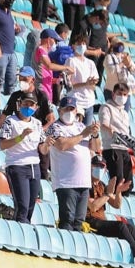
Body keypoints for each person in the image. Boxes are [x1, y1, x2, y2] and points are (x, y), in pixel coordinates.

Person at [86, 171, 135, 268]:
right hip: (91, 222)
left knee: (130, 227)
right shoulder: (86, 185)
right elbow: (93, 207)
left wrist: (118, 192)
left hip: (101, 221)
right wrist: (108, 194)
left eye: (102, 166)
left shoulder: (101, 185)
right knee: (121, 226)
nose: (99, 169)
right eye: (96, 165)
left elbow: (117, 204)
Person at [47, 96, 101, 231]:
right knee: (67, 220)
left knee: (79, 222)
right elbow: (62, 145)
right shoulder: (55, 127)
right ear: (59, 111)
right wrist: (83, 135)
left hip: (83, 182)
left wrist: (94, 134)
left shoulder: (80, 126)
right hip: (66, 182)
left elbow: (95, 147)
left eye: (72, 109)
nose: (69, 112)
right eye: (66, 109)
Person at [0, 92, 48, 223]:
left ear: (36, 107)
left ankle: (25, 230)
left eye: (31, 104)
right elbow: (2, 144)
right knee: (22, 206)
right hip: (17, 165)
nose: (28, 106)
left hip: (34, 166)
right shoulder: (11, 121)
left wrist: (48, 144)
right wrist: (21, 137)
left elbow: (42, 149)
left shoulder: (37, 123)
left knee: (31, 207)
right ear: (19, 104)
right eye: (25, 103)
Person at [99, 82, 134, 201]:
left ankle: (121, 202)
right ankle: (112, 200)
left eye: (125, 94)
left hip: (124, 148)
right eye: (120, 93)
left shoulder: (125, 113)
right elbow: (104, 124)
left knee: (128, 181)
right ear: (113, 94)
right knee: (117, 179)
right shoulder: (106, 107)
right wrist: (112, 131)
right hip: (112, 147)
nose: (122, 97)